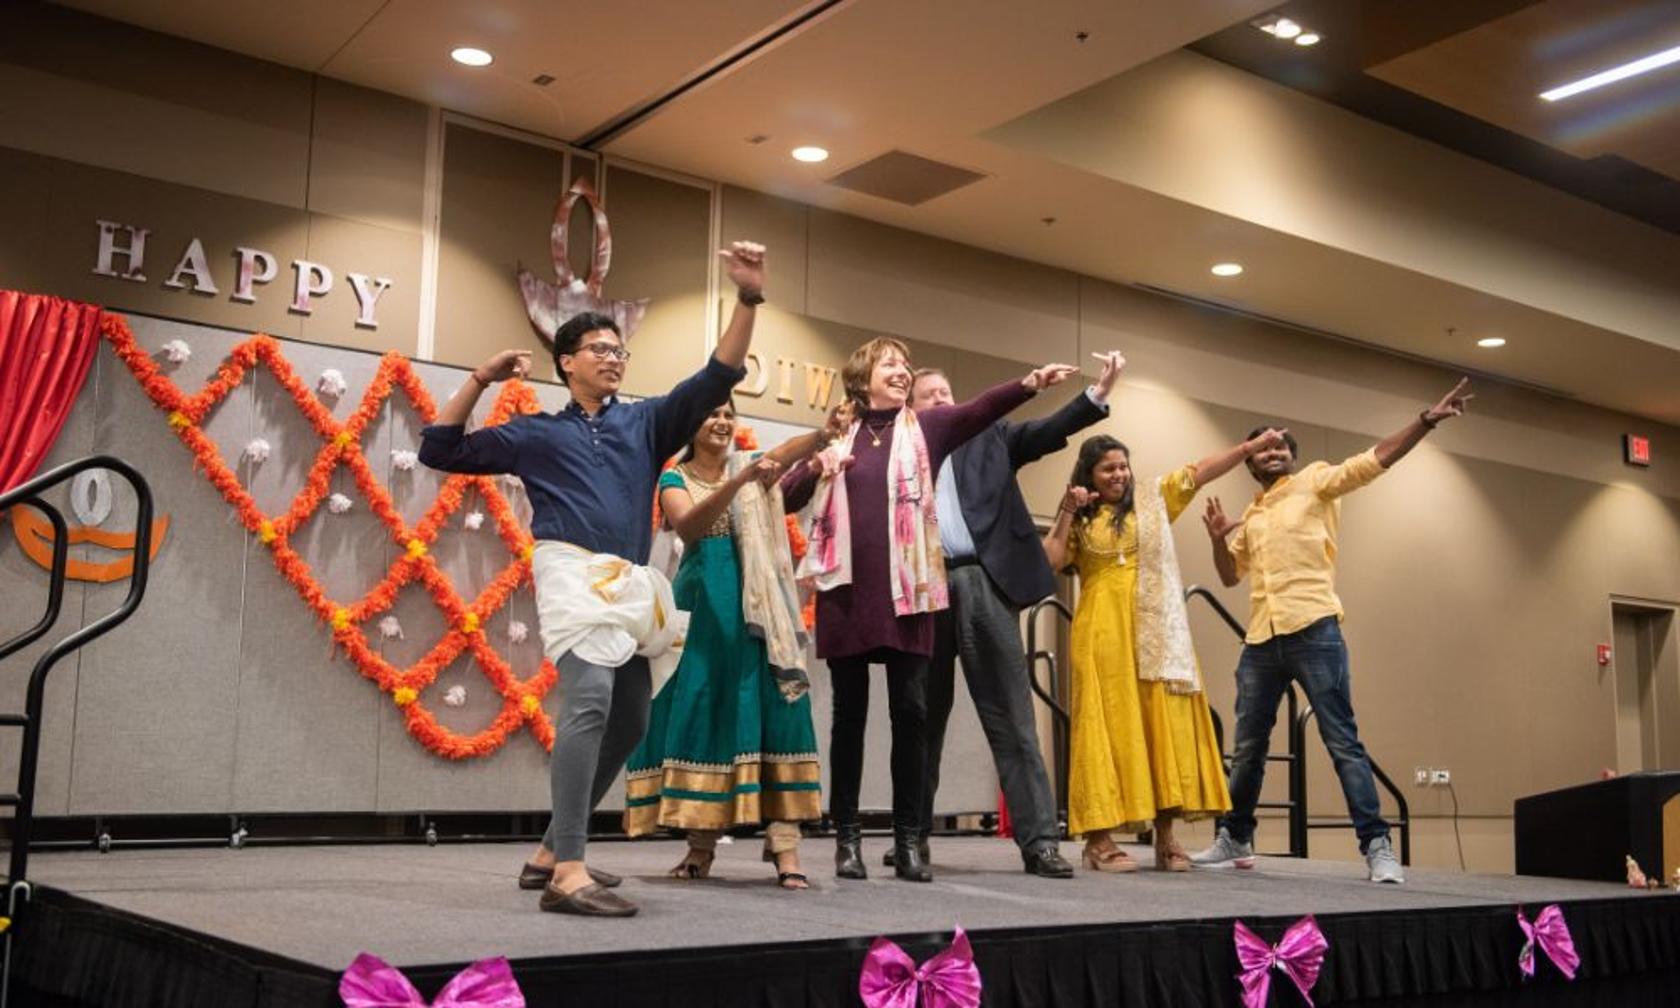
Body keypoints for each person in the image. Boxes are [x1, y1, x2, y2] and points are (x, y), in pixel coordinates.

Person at [418, 242, 768, 917]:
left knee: (632, 717)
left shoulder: (646, 422)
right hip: (572, 578)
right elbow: (441, 448)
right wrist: (480, 378)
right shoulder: (536, 433)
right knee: (589, 705)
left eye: (619, 350)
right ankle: (568, 872)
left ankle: (549, 850)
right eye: (599, 349)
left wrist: (749, 298)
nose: (613, 357)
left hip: (633, 585)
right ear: (567, 361)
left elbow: (719, 373)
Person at [780, 338, 1076, 882]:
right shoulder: (839, 432)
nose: (901, 371)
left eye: (904, 365)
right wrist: (821, 454)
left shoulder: (925, 429)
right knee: (848, 719)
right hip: (847, 594)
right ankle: (847, 841)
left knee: (912, 717)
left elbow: (979, 409)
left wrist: (1029, 384)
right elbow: (786, 495)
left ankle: (909, 843)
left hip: (910, 594)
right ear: (862, 375)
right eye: (890, 363)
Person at [1192, 379, 1475, 884]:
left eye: (1282, 445)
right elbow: (1230, 576)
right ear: (1251, 462)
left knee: (1341, 740)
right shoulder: (1252, 515)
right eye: (1265, 447)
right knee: (1248, 746)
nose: (1274, 451)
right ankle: (1236, 835)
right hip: (1260, 640)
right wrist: (1218, 540)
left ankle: (1378, 847)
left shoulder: (1318, 482)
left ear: (1292, 458)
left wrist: (1426, 420)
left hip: (1315, 629)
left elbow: (1376, 460)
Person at [898, 351, 1126, 879]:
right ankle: (913, 839)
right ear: (912, 408)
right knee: (921, 723)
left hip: (982, 581)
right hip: (924, 586)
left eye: (946, 393)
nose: (942, 401)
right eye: (929, 395)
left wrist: (1098, 393)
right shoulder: (904, 453)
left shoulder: (992, 437)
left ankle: (1041, 841)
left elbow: (1048, 431)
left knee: (1013, 719)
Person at [623, 398, 851, 890]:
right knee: (707, 712)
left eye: (729, 413)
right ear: (691, 423)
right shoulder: (674, 479)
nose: (723, 421)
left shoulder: (749, 467)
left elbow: (786, 454)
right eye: (711, 413)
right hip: (704, 610)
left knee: (778, 712)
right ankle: (699, 849)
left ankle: (787, 849)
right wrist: (740, 483)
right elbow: (690, 526)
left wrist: (822, 433)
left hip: (760, 612)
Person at [1042, 424, 1285, 873]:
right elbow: (1052, 561)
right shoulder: (1080, 516)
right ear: (1089, 475)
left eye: (1123, 466)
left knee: (1163, 727)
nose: (1118, 474)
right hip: (1103, 635)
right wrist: (1065, 511)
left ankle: (1167, 838)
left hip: (1158, 632)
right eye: (1107, 469)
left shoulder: (1152, 502)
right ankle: (1099, 841)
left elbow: (1199, 472)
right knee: (1107, 728)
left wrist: (1248, 446)